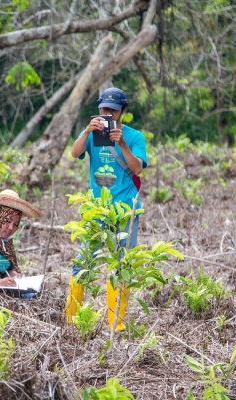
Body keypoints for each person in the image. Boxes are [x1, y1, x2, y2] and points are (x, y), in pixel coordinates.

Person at [65, 87, 148, 331]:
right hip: (97, 210)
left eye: (112, 109)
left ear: (122, 111)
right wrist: (87, 132)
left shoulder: (134, 137)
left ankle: (117, 325)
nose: (107, 112)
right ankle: (71, 319)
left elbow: (138, 168)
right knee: (82, 262)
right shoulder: (91, 132)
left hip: (124, 211)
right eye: (104, 109)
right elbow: (74, 153)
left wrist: (121, 142)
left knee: (122, 265)